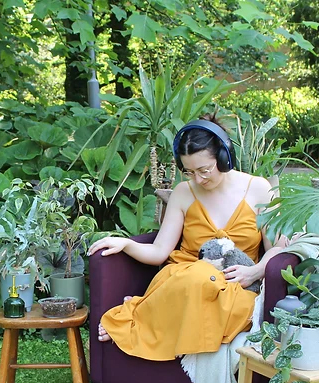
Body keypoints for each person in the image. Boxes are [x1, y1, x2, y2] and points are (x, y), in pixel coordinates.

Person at [86, 115, 288, 360]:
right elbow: (160, 251)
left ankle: (148, 312)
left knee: (221, 292)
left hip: (235, 284)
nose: (199, 179)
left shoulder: (259, 189)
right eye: (190, 172)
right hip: (185, 278)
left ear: (225, 158)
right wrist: (126, 243)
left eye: (205, 170)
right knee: (199, 275)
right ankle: (156, 307)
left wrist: (256, 271)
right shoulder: (183, 192)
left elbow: (279, 247)